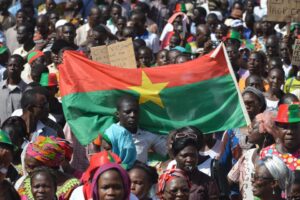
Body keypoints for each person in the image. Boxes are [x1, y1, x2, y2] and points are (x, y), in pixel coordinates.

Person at [104, 95, 167, 168]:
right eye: (128, 112)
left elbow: (168, 151)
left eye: (136, 111)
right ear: (118, 114)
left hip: (141, 177)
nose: (133, 115)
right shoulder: (109, 134)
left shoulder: (147, 135)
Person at [228, 113, 274, 199]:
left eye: (253, 128)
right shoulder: (248, 154)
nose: (248, 131)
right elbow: (230, 179)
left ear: (265, 131)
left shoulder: (276, 156)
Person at [260, 103, 300, 171]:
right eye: (284, 127)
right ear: (277, 128)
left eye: (294, 127)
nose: (290, 131)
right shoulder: (267, 153)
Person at [0, 54, 26, 123]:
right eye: (10, 65)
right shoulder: (0, 87)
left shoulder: (27, 91)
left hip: (19, 131)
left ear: (22, 68)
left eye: (16, 65)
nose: (12, 67)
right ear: (6, 66)